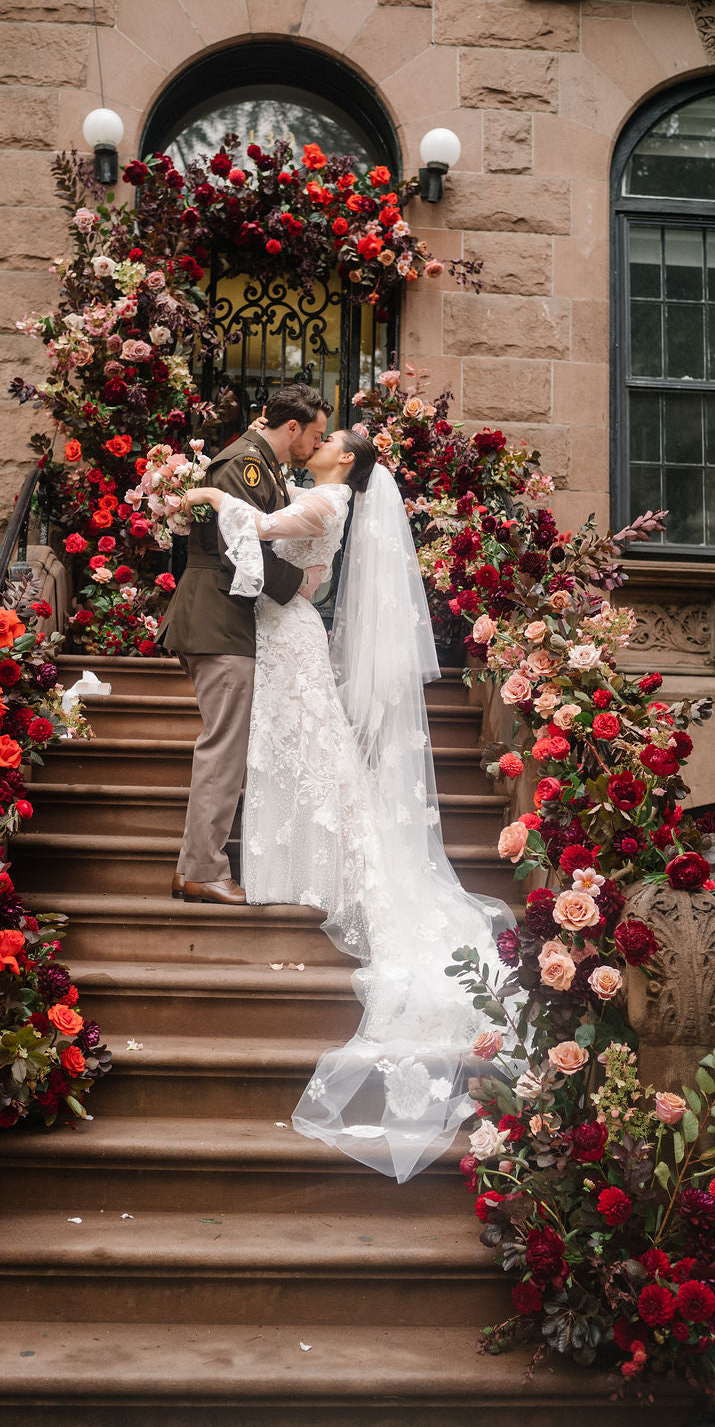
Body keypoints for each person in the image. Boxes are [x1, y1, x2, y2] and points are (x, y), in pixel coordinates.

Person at [184, 431, 513, 1181]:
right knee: (293, 756)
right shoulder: (316, 491)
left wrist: (203, 493)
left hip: (289, 635)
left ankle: (307, 868)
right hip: (276, 630)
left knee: (306, 756)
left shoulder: (329, 498)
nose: (323, 440)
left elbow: (262, 528)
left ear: (347, 464)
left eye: (333, 439)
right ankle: (285, 863)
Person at [158, 383, 328, 905]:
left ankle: (196, 867)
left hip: (228, 620)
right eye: (315, 436)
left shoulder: (263, 465)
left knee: (226, 747)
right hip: (218, 619)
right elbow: (237, 548)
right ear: (292, 428)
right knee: (223, 750)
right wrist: (296, 585)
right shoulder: (244, 464)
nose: (316, 447)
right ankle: (204, 870)